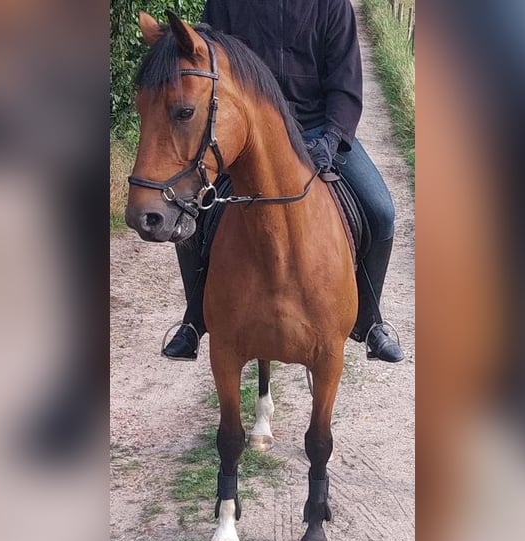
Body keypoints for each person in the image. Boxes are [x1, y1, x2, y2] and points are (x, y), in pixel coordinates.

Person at [162, 0, 404, 363]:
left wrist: (331, 138)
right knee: (193, 209)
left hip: (318, 131)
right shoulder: (226, 5)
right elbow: (209, 68)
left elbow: (346, 86)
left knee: (381, 211)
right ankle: (195, 319)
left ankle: (369, 321)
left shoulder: (331, 6)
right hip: (249, 139)